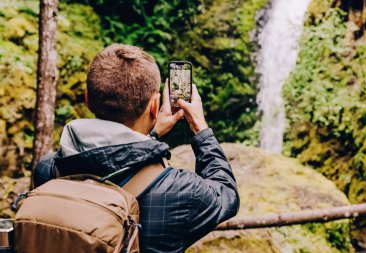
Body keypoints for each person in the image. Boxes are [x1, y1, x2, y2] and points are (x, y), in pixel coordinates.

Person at [33, 44, 239, 253]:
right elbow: (227, 195)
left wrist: (151, 136)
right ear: (154, 106)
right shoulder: (181, 191)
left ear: (87, 98)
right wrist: (199, 127)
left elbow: (105, 162)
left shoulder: (48, 170)